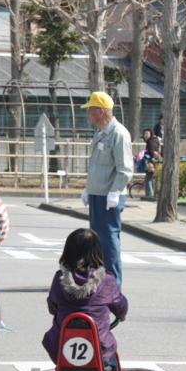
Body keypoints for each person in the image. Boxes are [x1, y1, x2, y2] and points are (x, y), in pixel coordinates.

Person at [42, 228, 128, 371]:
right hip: (98, 348)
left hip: (62, 348)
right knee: (111, 360)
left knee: (60, 339)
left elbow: (52, 305)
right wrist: (121, 314)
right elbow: (119, 305)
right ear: (97, 252)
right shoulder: (106, 281)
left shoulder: (59, 279)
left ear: (68, 252)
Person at [80, 91, 133, 286]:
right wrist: (89, 188)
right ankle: (100, 280)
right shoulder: (101, 133)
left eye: (91, 110)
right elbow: (96, 166)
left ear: (101, 111)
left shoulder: (118, 133)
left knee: (109, 242)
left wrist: (115, 191)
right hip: (98, 194)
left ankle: (113, 284)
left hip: (109, 197)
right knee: (97, 242)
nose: (89, 115)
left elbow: (125, 169)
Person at [138, 128, 161, 200]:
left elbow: (152, 152)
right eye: (145, 134)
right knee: (151, 178)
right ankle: (150, 194)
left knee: (148, 179)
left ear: (151, 134)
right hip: (156, 161)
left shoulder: (150, 142)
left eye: (147, 134)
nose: (146, 135)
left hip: (150, 162)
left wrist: (149, 161)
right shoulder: (156, 140)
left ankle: (149, 195)